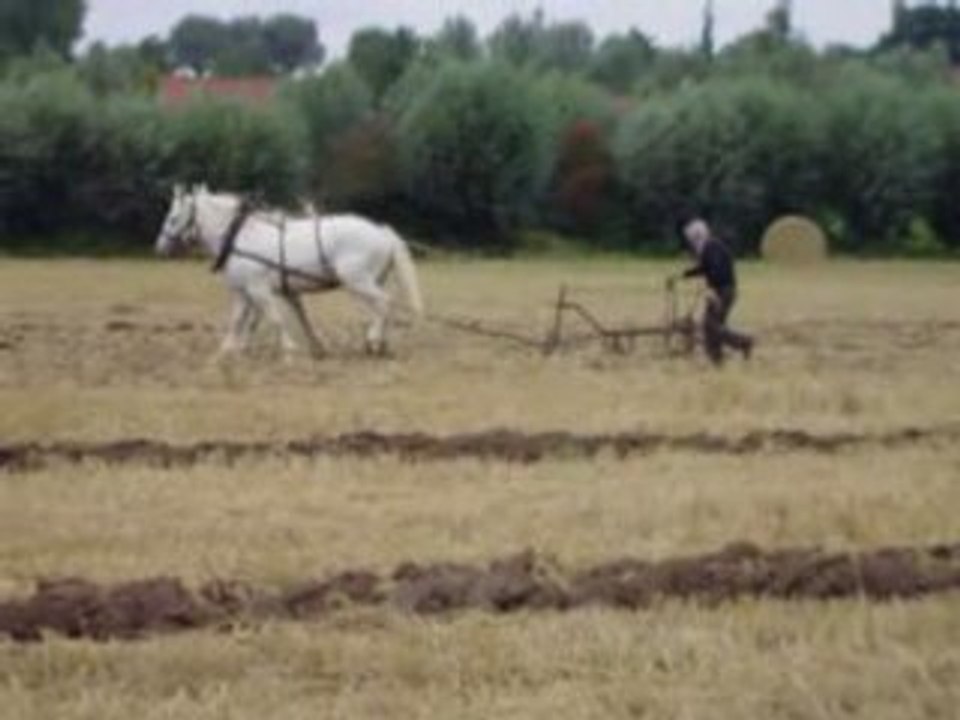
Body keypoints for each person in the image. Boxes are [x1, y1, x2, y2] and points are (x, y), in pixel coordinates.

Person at [670, 218, 754, 366]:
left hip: (722, 291)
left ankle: (744, 342)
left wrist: (711, 291)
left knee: (711, 326)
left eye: (690, 239)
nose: (690, 243)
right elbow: (704, 268)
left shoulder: (711, 247)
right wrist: (682, 275)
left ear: (696, 236)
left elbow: (715, 270)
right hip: (723, 290)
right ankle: (717, 362)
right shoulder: (710, 247)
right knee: (711, 327)